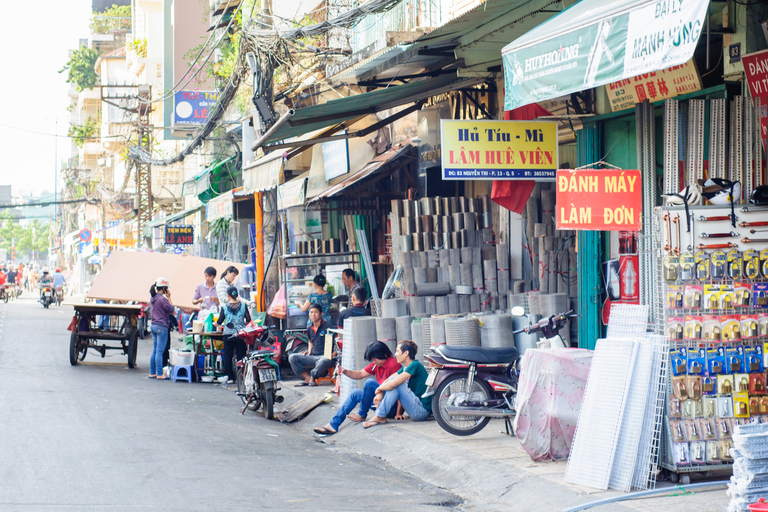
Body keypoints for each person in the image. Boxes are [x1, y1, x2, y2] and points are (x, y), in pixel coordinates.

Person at [314, 341, 401, 435]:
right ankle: (333, 425)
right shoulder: (377, 364)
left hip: (391, 407)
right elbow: (360, 374)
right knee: (355, 393)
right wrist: (345, 371)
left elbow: (401, 389)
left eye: (374, 359)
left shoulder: (394, 364)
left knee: (370, 382)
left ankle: (361, 414)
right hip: (379, 402)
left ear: (384, 354)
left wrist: (398, 413)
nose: (373, 362)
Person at [363, 340, 431, 428]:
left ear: (406, 353)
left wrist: (378, 390)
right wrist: (380, 393)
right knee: (393, 379)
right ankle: (380, 416)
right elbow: (388, 380)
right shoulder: (404, 368)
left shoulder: (415, 365)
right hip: (415, 409)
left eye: (397, 351)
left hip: (422, 411)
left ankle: (380, 416)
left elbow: (394, 384)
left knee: (396, 383)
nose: (395, 354)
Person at [289, 303, 334, 386]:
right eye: (311, 312)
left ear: (321, 314)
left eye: (316, 312)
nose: (313, 314)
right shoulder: (310, 327)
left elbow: (336, 343)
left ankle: (313, 377)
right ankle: (308, 378)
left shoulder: (328, 326)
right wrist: (309, 351)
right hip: (313, 356)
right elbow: (310, 341)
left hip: (326, 357)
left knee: (323, 360)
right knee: (292, 357)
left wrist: (331, 355)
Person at [215, 286, 252, 384]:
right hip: (241, 334)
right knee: (241, 356)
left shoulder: (224, 306)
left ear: (228, 295)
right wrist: (242, 325)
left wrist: (215, 324)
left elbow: (219, 321)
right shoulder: (244, 305)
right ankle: (242, 377)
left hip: (228, 334)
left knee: (228, 356)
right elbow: (248, 319)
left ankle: (231, 378)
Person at [149, 277, 175, 380]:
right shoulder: (163, 299)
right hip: (162, 327)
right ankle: (160, 374)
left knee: (155, 350)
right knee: (159, 352)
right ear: (164, 288)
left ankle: (152, 372)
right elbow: (172, 309)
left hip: (153, 326)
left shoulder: (153, 298)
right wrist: (169, 297)